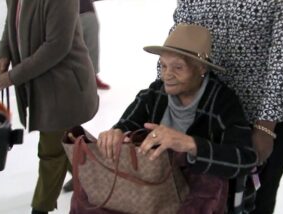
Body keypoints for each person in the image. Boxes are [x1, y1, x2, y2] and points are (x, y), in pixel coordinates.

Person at [168, 1, 283, 213]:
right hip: (211, 102)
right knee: (206, 192)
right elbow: (180, 33)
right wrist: (166, 94)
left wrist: (266, 127)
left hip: (269, 108)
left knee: (257, 197)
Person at [98, 24, 258, 213]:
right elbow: (127, 125)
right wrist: (116, 133)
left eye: (178, 67)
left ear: (201, 68)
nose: (167, 75)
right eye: (163, 66)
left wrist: (189, 144)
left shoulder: (223, 102)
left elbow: (246, 160)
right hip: (156, 192)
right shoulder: (154, 93)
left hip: (202, 201)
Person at [0, 0, 99, 213]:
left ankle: (40, 208)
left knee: (51, 152)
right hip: (41, 86)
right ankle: (98, 181)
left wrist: (14, 76)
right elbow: (11, 23)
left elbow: (56, 46)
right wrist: (3, 53)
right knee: (69, 143)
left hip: (65, 87)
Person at [79, 0, 110, 90]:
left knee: (93, 48)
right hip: (68, 14)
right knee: (73, 50)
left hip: (88, 11)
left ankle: (93, 77)